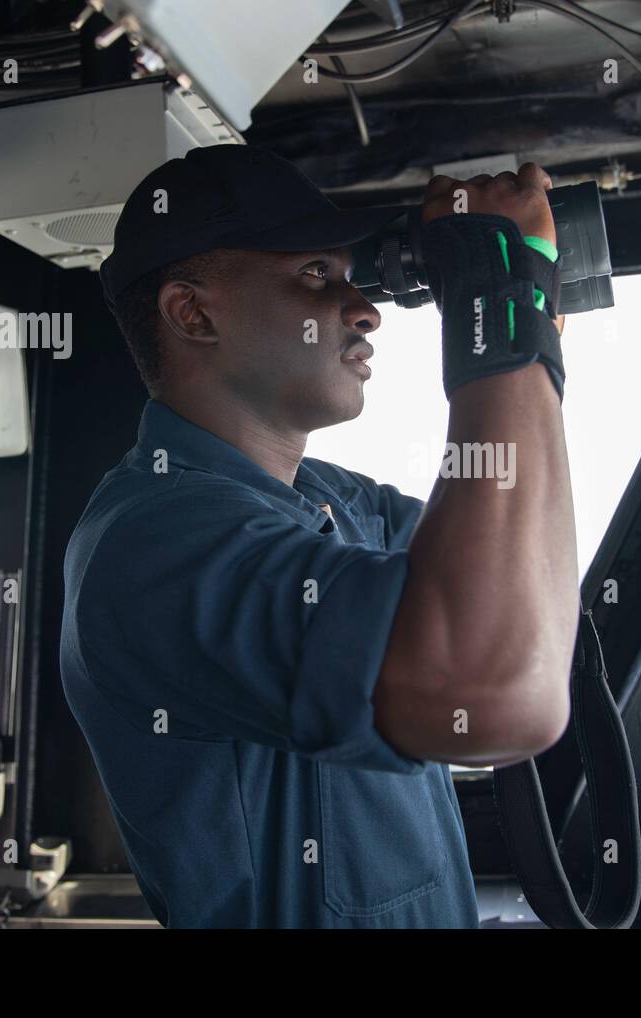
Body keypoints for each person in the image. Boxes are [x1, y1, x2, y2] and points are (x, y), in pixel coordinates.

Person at [59, 145, 579, 928]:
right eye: (314, 275)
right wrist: (498, 304)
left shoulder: (333, 500)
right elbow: (497, 693)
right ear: (192, 313)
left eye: (352, 273)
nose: (363, 306)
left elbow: (523, 594)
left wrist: (524, 306)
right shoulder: (152, 544)